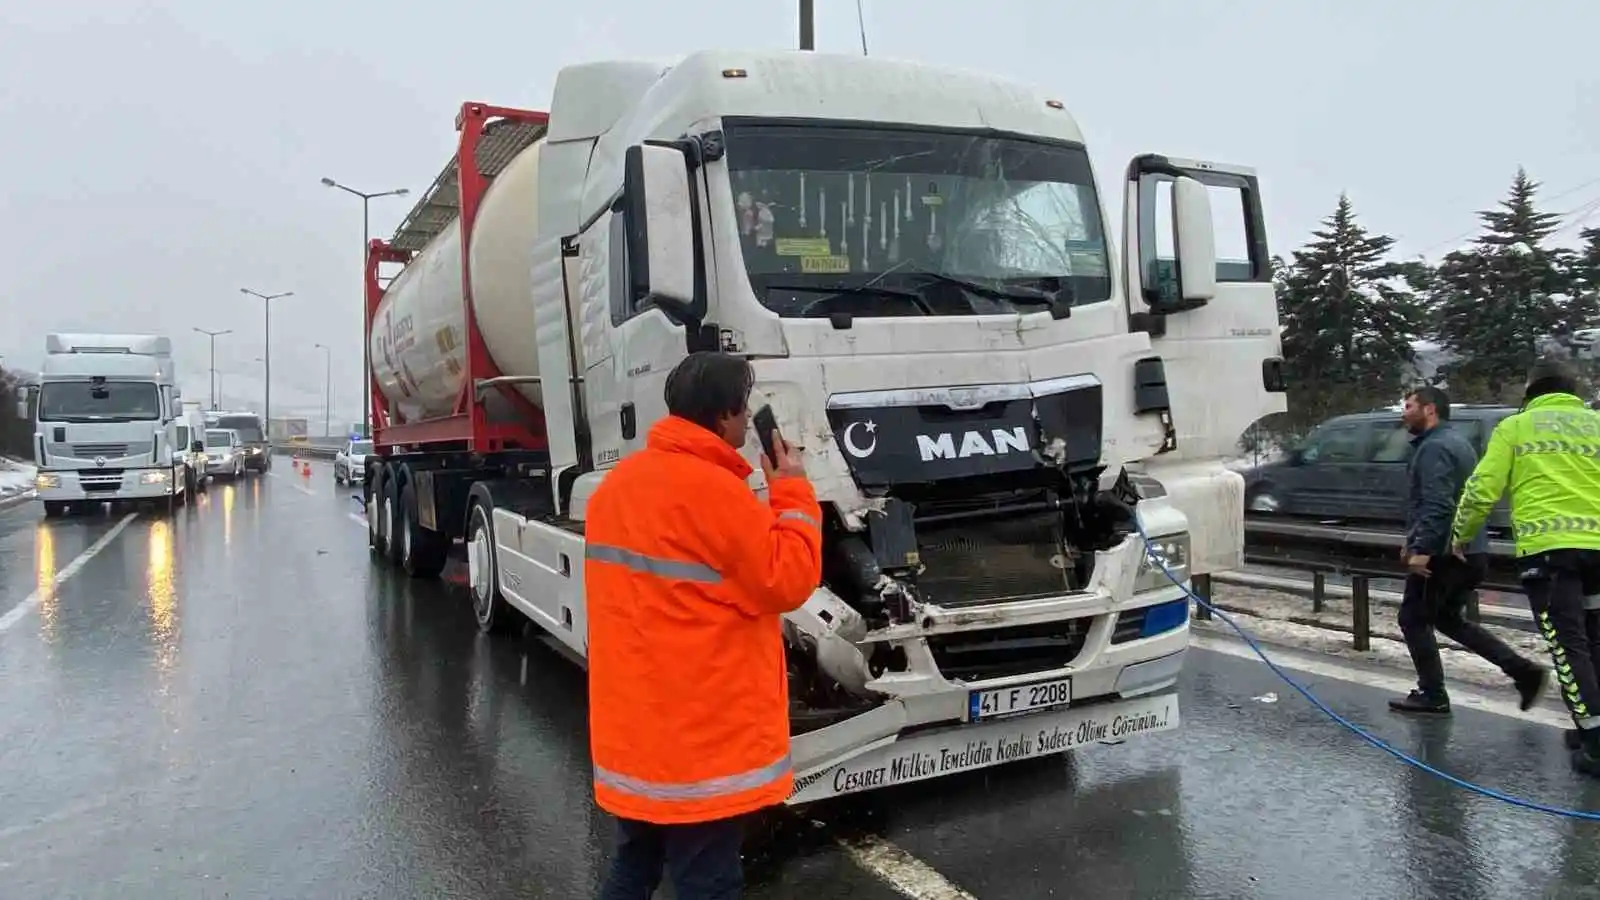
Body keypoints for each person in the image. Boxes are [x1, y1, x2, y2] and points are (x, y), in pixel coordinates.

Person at [584, 351, 824, 898]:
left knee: (635, 865)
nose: (748, 421)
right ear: (724, 418)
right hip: (697, 746)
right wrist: (792, 491)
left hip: (636, 736)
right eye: (744, 410)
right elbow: (787, 581)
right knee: (707, 882)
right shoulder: (716, 495)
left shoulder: (616, 489)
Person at [1452, 359, 1600, 778]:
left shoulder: (1517, 428)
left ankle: (1595, 742)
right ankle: (1588, 723)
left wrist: (1461, 533)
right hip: (1597, 551)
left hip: (1550, 556)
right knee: (1594, 638)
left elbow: (1482, 488)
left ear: (1530, 391)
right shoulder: (1595, 424)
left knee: (1568, 645)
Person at [1388, 386, 1547, 715]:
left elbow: (1438, 505)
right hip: (1469, 551)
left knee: (1413, 618)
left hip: (1446, 554)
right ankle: (1523, 671)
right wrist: (1413, 539)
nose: (1403, 413)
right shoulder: (1456, 442)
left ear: (1429, 410)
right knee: (1445, 618)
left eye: (1409, 406)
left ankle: (1433, 695)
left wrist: (1422, 550)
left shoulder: (1434, 448)